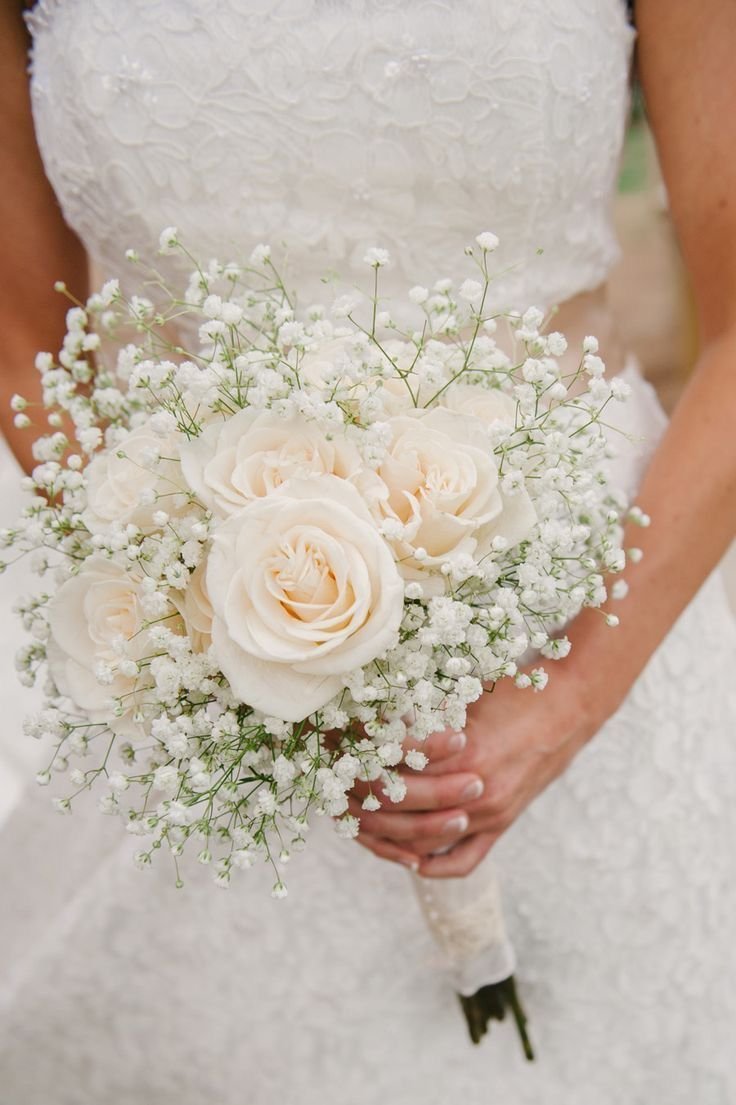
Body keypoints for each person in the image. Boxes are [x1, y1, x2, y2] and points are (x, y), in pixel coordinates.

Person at [0, 1, 734, 1101]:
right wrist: (216, 638)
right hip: (206, 669)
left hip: (601, 606)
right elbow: (23, 338)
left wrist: (572, 695)